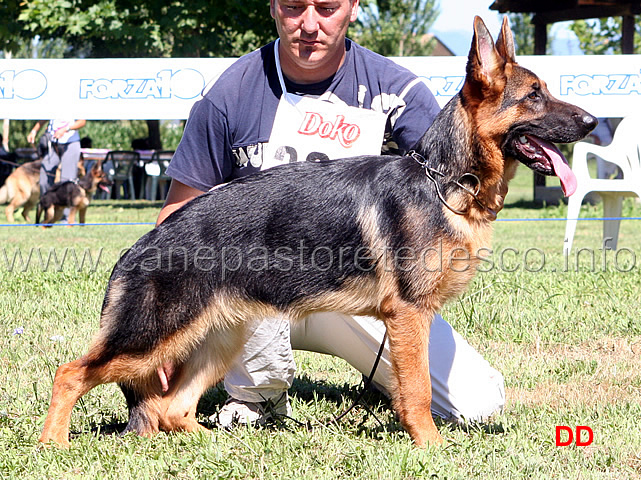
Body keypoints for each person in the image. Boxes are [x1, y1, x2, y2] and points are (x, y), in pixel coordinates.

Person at [157, 0, 505, 427]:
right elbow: (179, 212)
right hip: (256, 294)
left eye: (326, 7)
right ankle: (255, 399)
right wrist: (167, 318)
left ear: (354, 7)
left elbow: (456, 182)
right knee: (253, 255)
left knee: (479, 404)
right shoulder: (230, 93)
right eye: (293, 6)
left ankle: (384, 377)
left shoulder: (398, 91)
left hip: (357, 290)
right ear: (272, 6)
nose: (308, 23)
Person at [27, 119, 86, 197]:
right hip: (53, 144)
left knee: (67, 184)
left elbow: (82, 122)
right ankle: (47, 206)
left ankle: (65, 208)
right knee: (44, 181)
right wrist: (34, 131)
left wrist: (65, 129)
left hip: (71, 143)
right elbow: (44, 117)